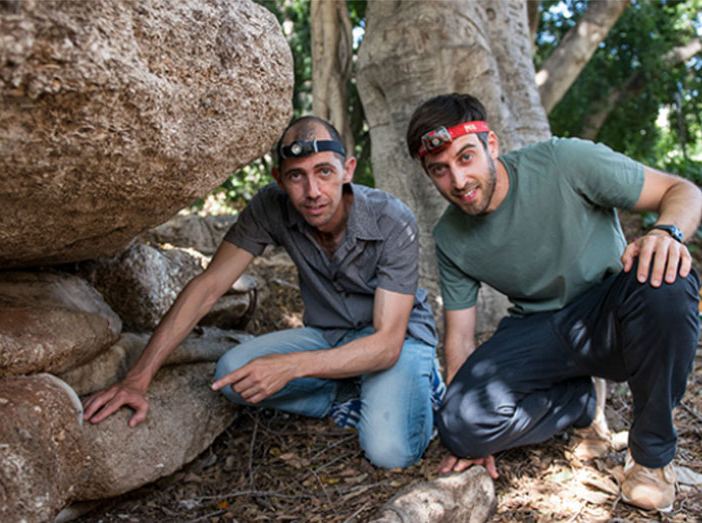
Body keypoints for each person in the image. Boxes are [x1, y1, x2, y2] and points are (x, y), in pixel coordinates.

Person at [83, 116, 442, 469]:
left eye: (324, 172)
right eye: (296, 176)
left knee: (390, 452)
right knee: (233, 375)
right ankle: (353, 392)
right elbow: (208, 287)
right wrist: (137, 379)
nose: (313, 191)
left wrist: (292, 366)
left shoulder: (391, 219)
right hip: (330, 335)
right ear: (279, 180)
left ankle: (422, 388)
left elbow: (386, 344)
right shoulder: (270, 206)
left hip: (396, 342)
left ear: (347, 170)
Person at [405, 93, 702, 512]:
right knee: (458, 424)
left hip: (612, 316)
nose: (458, 180)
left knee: (668, 278)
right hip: (539, 330)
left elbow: (681, 190)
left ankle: (652, 457)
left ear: (490, 144)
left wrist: (665, 233)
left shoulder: (565, 161)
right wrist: (471, 433)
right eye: (440, 170)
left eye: (466, 157)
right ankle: (581, 402)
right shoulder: (450, 237)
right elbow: (460, 340)